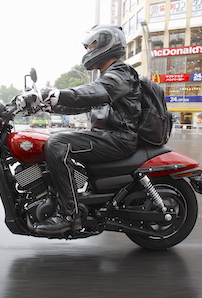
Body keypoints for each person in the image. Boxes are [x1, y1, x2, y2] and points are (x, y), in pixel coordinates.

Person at [17, 25, 142, 234]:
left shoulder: (121, 73)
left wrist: (55, 93)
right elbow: (82, 103)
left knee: (57, 144)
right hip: (107, 136)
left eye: (92, 45)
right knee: (53, 139)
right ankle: (63, 192)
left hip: (119, 138)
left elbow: (93, 92)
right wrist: (46, 105)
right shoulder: (107, 76)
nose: (89, 50)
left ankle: (69, 214)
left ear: (107, 44)